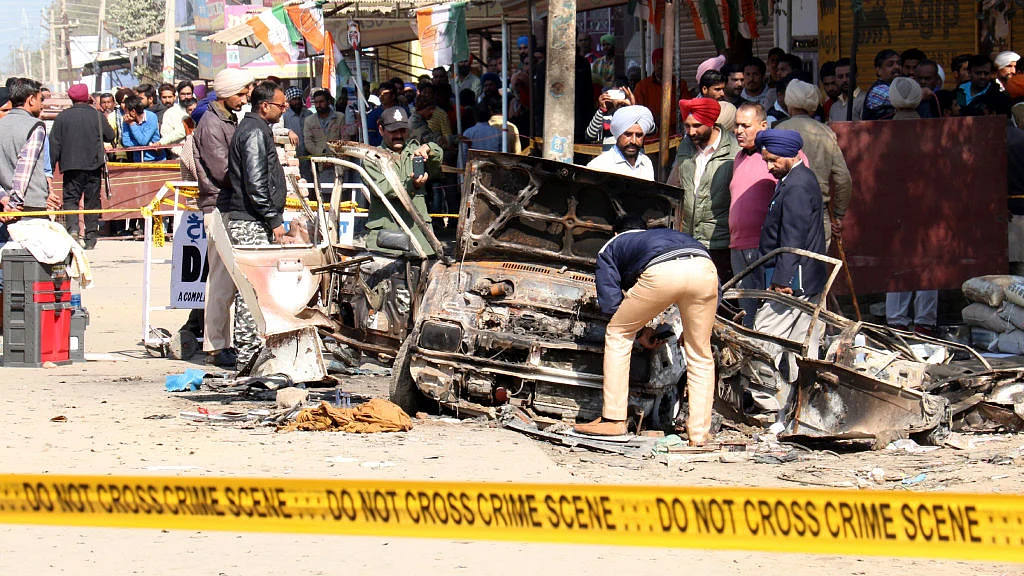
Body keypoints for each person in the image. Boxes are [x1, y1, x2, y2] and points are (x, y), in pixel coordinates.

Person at [573, 216, 719, 445]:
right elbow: (711, 290)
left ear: (615, 234)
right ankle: (699, 434)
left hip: (663, 271)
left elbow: (610, 303)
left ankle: (613, 419)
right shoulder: (670, 236)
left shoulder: (612, 245)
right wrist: (691, 331)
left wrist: (639, 333)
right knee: (700, 352)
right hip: (705, 268)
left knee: (618, 333)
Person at [220, 81, 292, 368]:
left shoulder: (258, 130)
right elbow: (255, 181)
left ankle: (253, 350)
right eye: (280, 106)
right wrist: (273, 218)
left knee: (256, 288)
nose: (283, 110)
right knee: (252, 288)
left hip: (254, 217)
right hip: (251, 221)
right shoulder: (253, 132)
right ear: (264, 106)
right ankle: (249, 355)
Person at [753, 129, 827, 394]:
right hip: (805, 277)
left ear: (790, 154)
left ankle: (766, 403)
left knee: (762, 336)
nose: (770, 166)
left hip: (794, 280)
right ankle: (800, 402)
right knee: (802, 347)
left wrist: (781, 280)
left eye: (773, 160)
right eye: (766, 161)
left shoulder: (796, 186)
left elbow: (793, 237)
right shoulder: (795, 179)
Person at [191, 67, 254, 369]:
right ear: (227, 94)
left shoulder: (227, 120)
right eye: (241, 94)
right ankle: (216, 345)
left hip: (230, 205)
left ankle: (224, 342)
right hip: (217, 205)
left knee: (231, 278)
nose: (245, 99)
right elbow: (222, 171)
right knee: (220, 278)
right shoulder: (211, 124)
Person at [729, 102, 806, 326]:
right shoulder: (739, 157)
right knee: (748, 314)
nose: (738, 131)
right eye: (736, 125)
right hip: (739, 247)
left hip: (766, 248)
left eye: (745, 125)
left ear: (763, 125)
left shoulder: (781, 154)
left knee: (773, 315)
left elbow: (796, 197)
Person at [667, 98, 739, 282]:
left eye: (697, 126)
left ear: (711, 123)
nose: (691, 132)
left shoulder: (734, 151)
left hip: (719, 241)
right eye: (687, 126)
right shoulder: (686, 146)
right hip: (688, 238)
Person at [776, 79, 852, 248]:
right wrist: (838, 215)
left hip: (786, 211)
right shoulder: (826, 132)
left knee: (788, 269)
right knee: (816, 270)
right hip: (819, 211)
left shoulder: (779, 131)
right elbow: (843, 178)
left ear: (789, 101)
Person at [364, 106, 444, 256]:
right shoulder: (371, 157)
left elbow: (436, 162)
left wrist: (430, 149)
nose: (399, 135)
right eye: (393, 131)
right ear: (381, 130)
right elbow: (383, 189)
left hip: (420, 237)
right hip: (386, 239)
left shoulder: (416, 151)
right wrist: (412, 184)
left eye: (402, 130)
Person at [49, 83, 116, 249]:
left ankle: (72, 229)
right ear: (88, 97)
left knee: (71, 199)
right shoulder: (97, 116)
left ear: (71, 98)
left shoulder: (62, 117)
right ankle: (91, 236)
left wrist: (49, 169)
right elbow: (110, 135)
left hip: (70, 167)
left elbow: (54, 145)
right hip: (93, 166)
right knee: (92, 201)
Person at [0, 77, 59, 217]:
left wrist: (3, 197)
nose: (41, 104)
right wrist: (14, 203)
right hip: (27, 205)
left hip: (6, 205)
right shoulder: (34, 125)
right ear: (31, 100)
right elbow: (25, 167)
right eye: (40, 99)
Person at [586, 105, 655, 180]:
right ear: (618, 135)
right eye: (628, 135)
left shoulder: (646, 163)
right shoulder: (598, 165)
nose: (633, 141)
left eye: (639, 135)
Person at [634, 48, 691, 134]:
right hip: (651, 135)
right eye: (658, 63)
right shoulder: (642, 86)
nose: (661, 66)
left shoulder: (680, 84)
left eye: (664, 63)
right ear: (654, 64)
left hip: (676, 134)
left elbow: (686, 109)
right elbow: (638, 112)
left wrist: (665, 119)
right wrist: (653, 119)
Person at [303, 89, 343, 190]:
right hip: (320, 165)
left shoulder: (339, 118)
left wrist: (334, 158)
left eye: (321, 102)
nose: (318, 105)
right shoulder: (309, 120)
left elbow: (345, 140)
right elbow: (308, 142)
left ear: (328, 102)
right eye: (316, 102)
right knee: (322, 195)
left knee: (341, 197)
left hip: (339, 164)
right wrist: (322, 156)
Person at [586, 84, 635, 150]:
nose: (617, 97)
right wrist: (602, 109)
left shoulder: (631, 113)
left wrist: (632, 107)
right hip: (607, 155)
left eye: (620, 93)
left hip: (628, 154)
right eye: (613, 93)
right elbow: (590, 135)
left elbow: (648, 130)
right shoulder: (604, 115)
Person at [282, 86, 313, 185]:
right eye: (294, 99)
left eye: (298, 99)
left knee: (310, 181)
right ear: (290, 101)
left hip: (308, 154)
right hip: (293, 155)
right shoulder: (284, 116)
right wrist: (288, 131)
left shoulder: (309, 114)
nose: (297, 102)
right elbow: (276, 129)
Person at [121, 95, 166, 161]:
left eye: (126, 111)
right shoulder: (127, 121)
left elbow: (143, 141)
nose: (125, 114)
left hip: (156, 160)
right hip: (138, 160)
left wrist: (132, 124)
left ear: (133, 112)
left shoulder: (151, 117)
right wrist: (149, 144)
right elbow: (125, 142)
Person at [862, 49, 900, 120]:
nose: (897, 67)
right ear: (878, 70)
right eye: (890, 64)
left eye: (898, 63)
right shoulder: (878, 90)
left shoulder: (894, 87)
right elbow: (904, 99)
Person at [829, 57, 865, 122]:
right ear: (835, 79)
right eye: (840, 76)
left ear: (856, 76)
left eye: (848, 76)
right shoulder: (834, 107)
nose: (844, 80)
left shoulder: (865, 100)